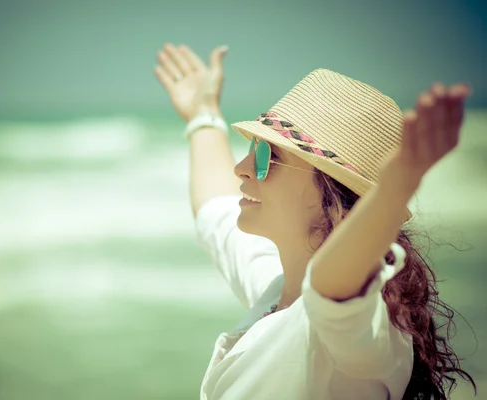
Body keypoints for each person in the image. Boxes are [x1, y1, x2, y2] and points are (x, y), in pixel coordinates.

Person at [154, 43, 477, 400]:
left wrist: (394, 188)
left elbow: (331, 290)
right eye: (251, 148)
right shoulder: (278, 291)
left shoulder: (362, 330)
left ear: (334, 199)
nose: (241, 170)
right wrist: (203, 114)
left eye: (266, 156)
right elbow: (216, 211)